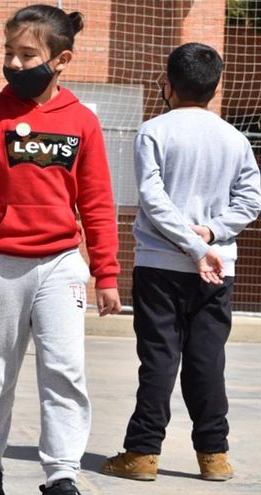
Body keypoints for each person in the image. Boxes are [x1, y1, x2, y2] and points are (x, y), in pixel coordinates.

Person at [0, 5, 122, 495]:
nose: (15, 65)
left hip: (61, 265)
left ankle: (61, 472)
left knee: (65, 371)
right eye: (9, 54)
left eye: (28, 55)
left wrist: (105, 272)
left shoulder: (81, 121)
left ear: (61, 60)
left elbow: (98, 201)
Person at [100, 43, 261, 483]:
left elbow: (153, 200)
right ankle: (214, 455)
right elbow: (250, 201)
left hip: (160, 265)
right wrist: (210, 234)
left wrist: (191, 243)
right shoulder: (235, 138)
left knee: (158, 359)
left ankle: (143, 453)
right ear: (216, 86)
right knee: (207, 360)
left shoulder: (153, 131)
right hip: (218, 268)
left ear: (168, 84)